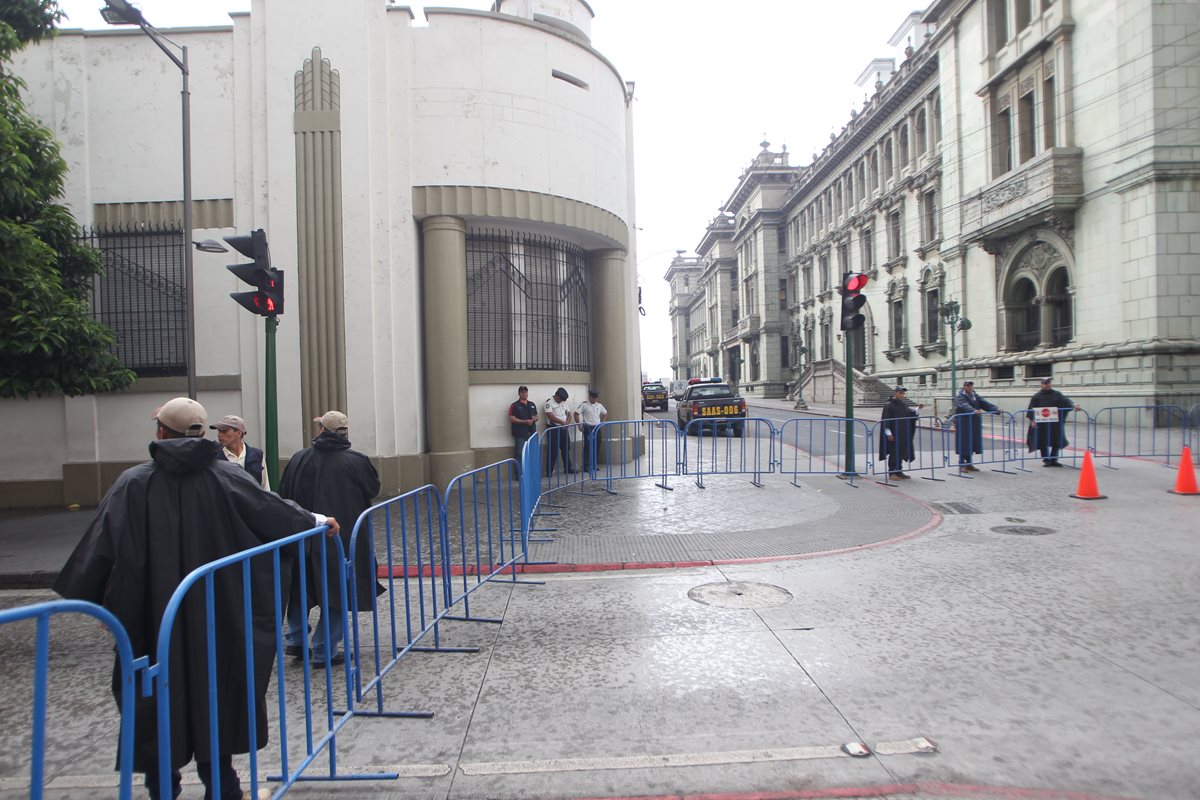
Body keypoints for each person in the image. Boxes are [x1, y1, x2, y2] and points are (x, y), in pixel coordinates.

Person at [53, 397, 339, 800]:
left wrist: (107, 608)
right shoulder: (227, 478)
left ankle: (162, 788)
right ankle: (222, 785)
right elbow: (274, 513)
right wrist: (317, 521)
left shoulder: (133, 483)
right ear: (203, 433)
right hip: (217, 615)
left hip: (149, 618)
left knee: (154, 699)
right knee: (215, 693)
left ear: (160, 433)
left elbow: (99, 553)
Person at [281, 410, 383, 667]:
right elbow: (372, 489)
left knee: (299, 586)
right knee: (337, 589)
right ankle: (324, 648)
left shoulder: (298, 458)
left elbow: (284, 493)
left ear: (322, 430)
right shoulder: (356, 461)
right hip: (342, 535)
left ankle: (295, 639)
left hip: (303, 533)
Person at [1026, 377, 1081, 466]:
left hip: (1055, 423)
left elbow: (1067, 401)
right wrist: (1032, 420)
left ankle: (1054, 459)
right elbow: (1031, 409)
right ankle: (1046, 459)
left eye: (1048, 383)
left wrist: (1074, 405)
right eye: (1045, 383)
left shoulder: (1057, 394)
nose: (1047, 385)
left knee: (1057, 440)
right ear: (1042, 384)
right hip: (1042, 424)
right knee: (1043, 440)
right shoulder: (1037, 396)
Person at [210, 414, 269, 490]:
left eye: (224, 431)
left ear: (238, 433)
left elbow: (265, 487)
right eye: (219, 431)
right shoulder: (214, 457)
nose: (219, 435)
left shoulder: (257, 455)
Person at [953, 380, 1000, 473]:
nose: (970, 387)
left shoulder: (974, 395)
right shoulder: (959, 396)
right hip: (963, 423)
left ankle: (969, 464)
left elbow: (984, 403)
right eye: (968, 386)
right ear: (964, 387)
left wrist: (995, 409)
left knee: (972, 442)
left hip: (974, 422)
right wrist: (973, 410)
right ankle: (961, 464)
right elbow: (964, 405)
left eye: (971, 385)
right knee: (964, 443)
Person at [878, 386, 923, 479]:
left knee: (902, 451)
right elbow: (886, 419)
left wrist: (918, 409)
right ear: (896, 393)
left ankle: (899, 471)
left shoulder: (903, 404)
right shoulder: (889, 405)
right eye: (900, 393)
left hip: (903, 433)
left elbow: (910, 413)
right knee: (894, 452)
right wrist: (888, 433)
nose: (902, 395)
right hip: (894, 433)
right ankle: (892, 472)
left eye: (903, 393)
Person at [543, 387, 576, 476]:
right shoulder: (549, 403)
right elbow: (550, 416)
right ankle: (549, 471)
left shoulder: (563, 402)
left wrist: (567, 423)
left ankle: (568, 468)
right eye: (560, 399)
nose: (561, 401)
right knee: (553, 450)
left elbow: (569, 413)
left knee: (566, 449)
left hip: (564, 429)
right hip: (554, 429)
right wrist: (562, 422)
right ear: (556, 396)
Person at [575, 388, 608, 473]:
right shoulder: (584, 405)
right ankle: (586, 465)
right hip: (588, 427)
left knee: (596, 446)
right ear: (589, 397)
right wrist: (579, 425)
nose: (594, 399)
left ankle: (594, 464)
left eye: (596, 398)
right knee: (588, 446)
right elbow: (576, 414)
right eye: (593, 398)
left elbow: (605, 413)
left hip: (596, 428)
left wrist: (602, 423)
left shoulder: (599, 405)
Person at [507, 385, 538, 469]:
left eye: (525, 392)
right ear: (519, 393)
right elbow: (512, 418)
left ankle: (530, 472)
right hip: (520, 433)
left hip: (531, 432)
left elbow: (536, 416)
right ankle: (519, 474)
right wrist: (524, 421)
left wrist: (534, 419)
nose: (524, 393)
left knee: (531, 452)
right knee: (520, 453)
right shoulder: (514, 405)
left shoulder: (532, 404)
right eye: (522, 392)